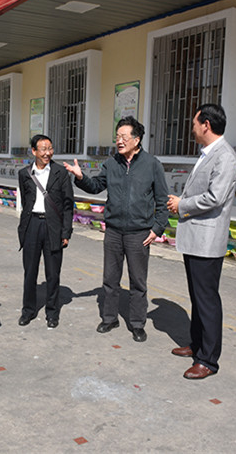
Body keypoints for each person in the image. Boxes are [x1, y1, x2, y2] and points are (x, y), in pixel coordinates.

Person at [64, 116, 168, 342]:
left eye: (123, 137)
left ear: (136, 140)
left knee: (138, 281)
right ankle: (109, 318)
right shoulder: (112, 164)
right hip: (113, 231)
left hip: (139, 233)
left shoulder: (152, 164)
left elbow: (162, 200)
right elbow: (96, 186)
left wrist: (157, 228)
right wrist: (80, 177)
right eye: (117, 137)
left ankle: (137, 323)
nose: (119, 141)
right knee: (110, 279)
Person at [166, 103, 236, 380]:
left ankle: (208, 360)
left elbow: (215, 197)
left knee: (207, 300)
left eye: (195, 123)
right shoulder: (208, 153)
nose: (192, 128)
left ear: (206, 124)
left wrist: (182, 204)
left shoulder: (224, 156)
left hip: (207, 240)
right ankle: (197, 344)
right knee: (197, 297)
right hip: (196, 237)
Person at [17, 134, 74, 329]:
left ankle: (52, 312)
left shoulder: (61, 173)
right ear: (34, 151)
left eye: (50, 148)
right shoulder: (25, 173)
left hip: (53, 227)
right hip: (32, 225)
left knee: (53, 273)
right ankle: (28, 310)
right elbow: (26, 202)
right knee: (30, 272)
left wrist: (66, 232)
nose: (47, 153)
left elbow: (68, 205)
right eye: (43, 149)